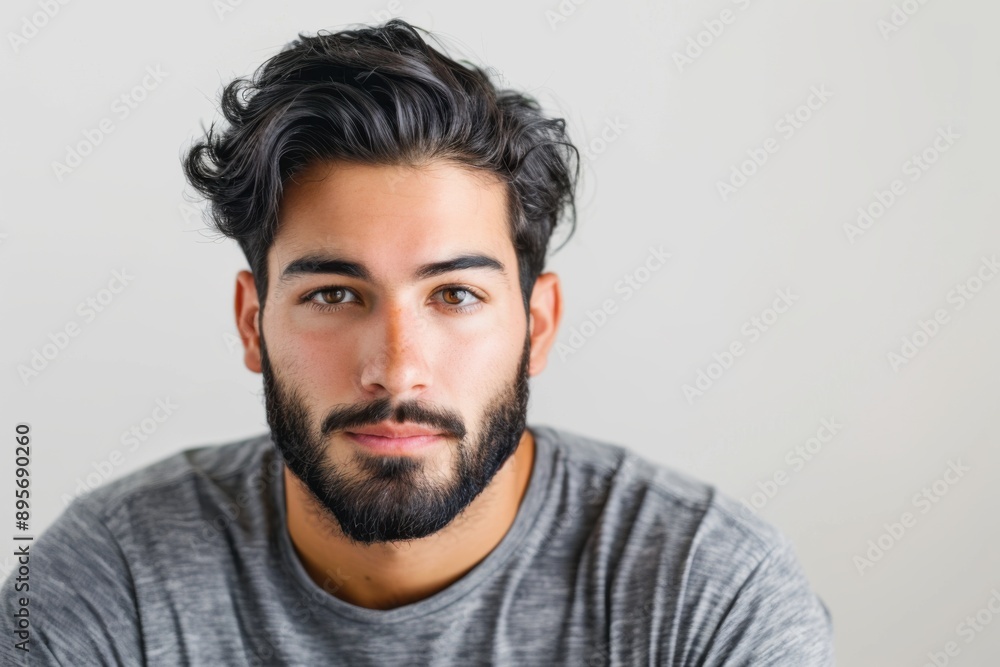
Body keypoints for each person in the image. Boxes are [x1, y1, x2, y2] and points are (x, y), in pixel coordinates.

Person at [1, 19, 834, 666]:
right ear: (252, 322)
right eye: (334, 294)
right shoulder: (107, 582)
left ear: (538, 326)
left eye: (455, 295)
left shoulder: (707, 593)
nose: (397, 369)